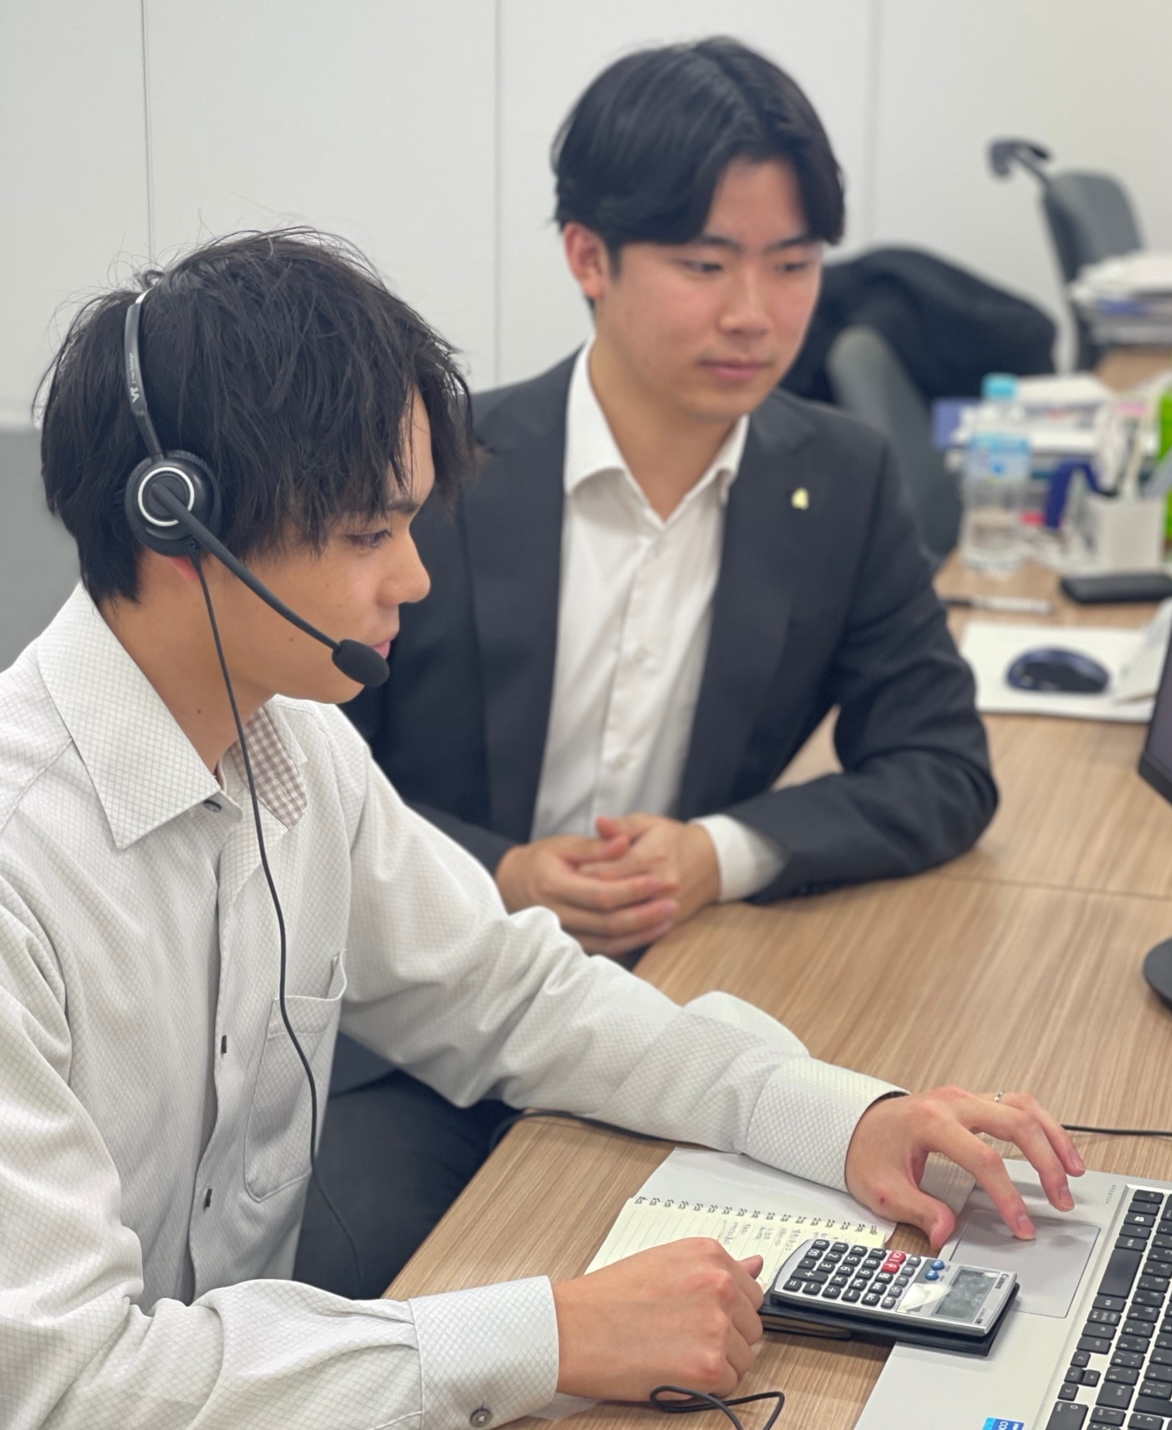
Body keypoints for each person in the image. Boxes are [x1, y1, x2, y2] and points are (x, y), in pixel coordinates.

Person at [0, 229, 1081, 1428]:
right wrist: (553, 1332)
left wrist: (842, 1116)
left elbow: (511, 992)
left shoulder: (293, 746)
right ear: (177, 525)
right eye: (367, 534)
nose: (413, 576)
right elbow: (65, 1382)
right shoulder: (22, 869)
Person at [349, 36, 996, 959]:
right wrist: (499, 875)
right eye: (704, 265)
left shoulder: (843, 481)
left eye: (792, 265)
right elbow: (299, 776)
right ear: (589, 258)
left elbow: (942, 765)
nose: (753, 315)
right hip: (430, 969)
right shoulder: (427, 470)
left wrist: (716, 855)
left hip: (680, 975)